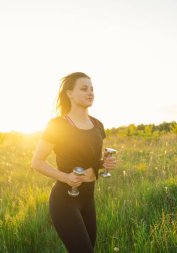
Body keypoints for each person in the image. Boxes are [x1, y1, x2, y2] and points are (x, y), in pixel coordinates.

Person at [31, 72, 117, 253]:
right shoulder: (58, 125)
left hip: (88, 199)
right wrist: (66, 177)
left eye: (92, 89)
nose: (90, 93)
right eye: (84, 89)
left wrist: (103, 164)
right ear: (69, 93)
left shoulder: (97, 124)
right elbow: (37, 162)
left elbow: (90, 160)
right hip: (65, 199)